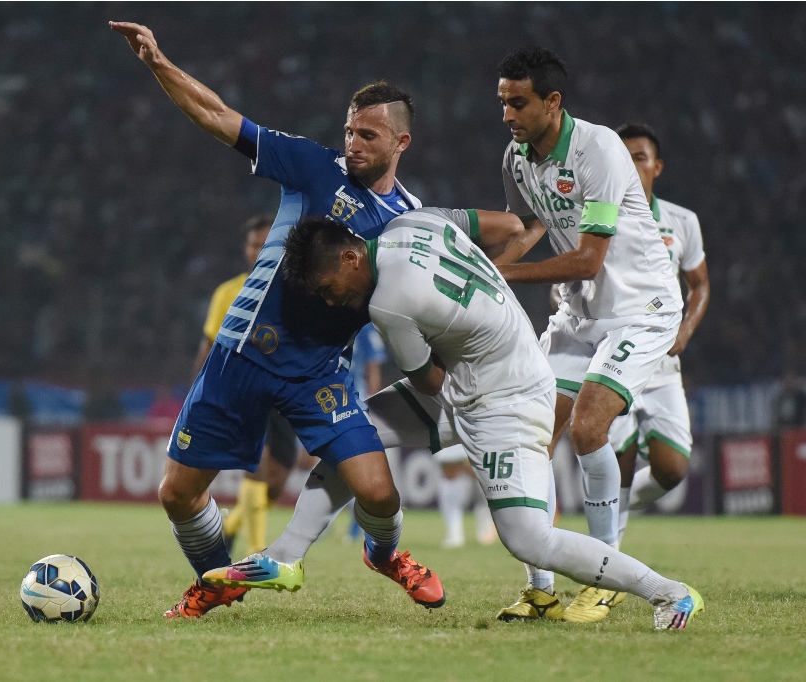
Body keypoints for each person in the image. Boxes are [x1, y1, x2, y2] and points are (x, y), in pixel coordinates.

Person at [207, 210, 703, 631]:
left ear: (351, 257)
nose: (332, 300)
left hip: (506, 398)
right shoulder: (415, 220)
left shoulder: (386, 303)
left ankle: (669, 592)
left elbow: (427, 382)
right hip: (484, 370)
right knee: (351, 435)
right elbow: (501, 225)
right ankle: (286, 555)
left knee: (528, 537)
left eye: (328, 288)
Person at [110, 21, 442, 619]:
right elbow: (217, 116)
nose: (353, 143)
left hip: (318, 371)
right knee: (178, 494)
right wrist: (159, 62)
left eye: (368, 134)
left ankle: (386, 553)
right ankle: (218, 579)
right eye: (349, 131)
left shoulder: (412, 221)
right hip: (243, 354)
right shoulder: (313, 166)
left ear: (402, 143)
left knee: (377, 491)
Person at [492, 48, 683, 623]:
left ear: (552, 102)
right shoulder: (518, 156)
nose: (506, 114)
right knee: (530, 428)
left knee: (589, 425)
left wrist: (508, 275)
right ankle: (541, 587)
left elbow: (588, 260)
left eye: (517, 102)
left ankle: (605, 578)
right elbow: (527, 226)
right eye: (502, 101)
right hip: (580, 315)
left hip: (641, 308)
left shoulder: (597, 148)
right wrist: (488, 267)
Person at [605, 124, 710, 603]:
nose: (632, 164)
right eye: (623, 157)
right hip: (619, 358)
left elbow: (700, 284)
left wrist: (684, 332)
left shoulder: (682, 221)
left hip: (664, 365)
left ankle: (613, 518)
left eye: (640, 156)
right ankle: (608, 564)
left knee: (673, 469)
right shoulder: (602, 216)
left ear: (657, 166)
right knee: (619, 463)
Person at [193, 214, 300, 557]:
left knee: (278, 478)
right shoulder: (227, 293)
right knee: (258, 461)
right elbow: (208, 347)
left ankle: (231, 525)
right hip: (241, 389)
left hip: (283, 393)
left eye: (266, 243)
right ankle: (258, 551)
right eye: (254, 244)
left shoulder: (298, 291)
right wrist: (199, 393)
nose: (258, 250)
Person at [343, 321, 388, 543]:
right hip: (326, 398)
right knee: (322, 463)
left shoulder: (365, 327)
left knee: (357, 464)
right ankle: (321, 526)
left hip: (355, 400)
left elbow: (374, 368)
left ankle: (355, 525)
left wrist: (372, 406)